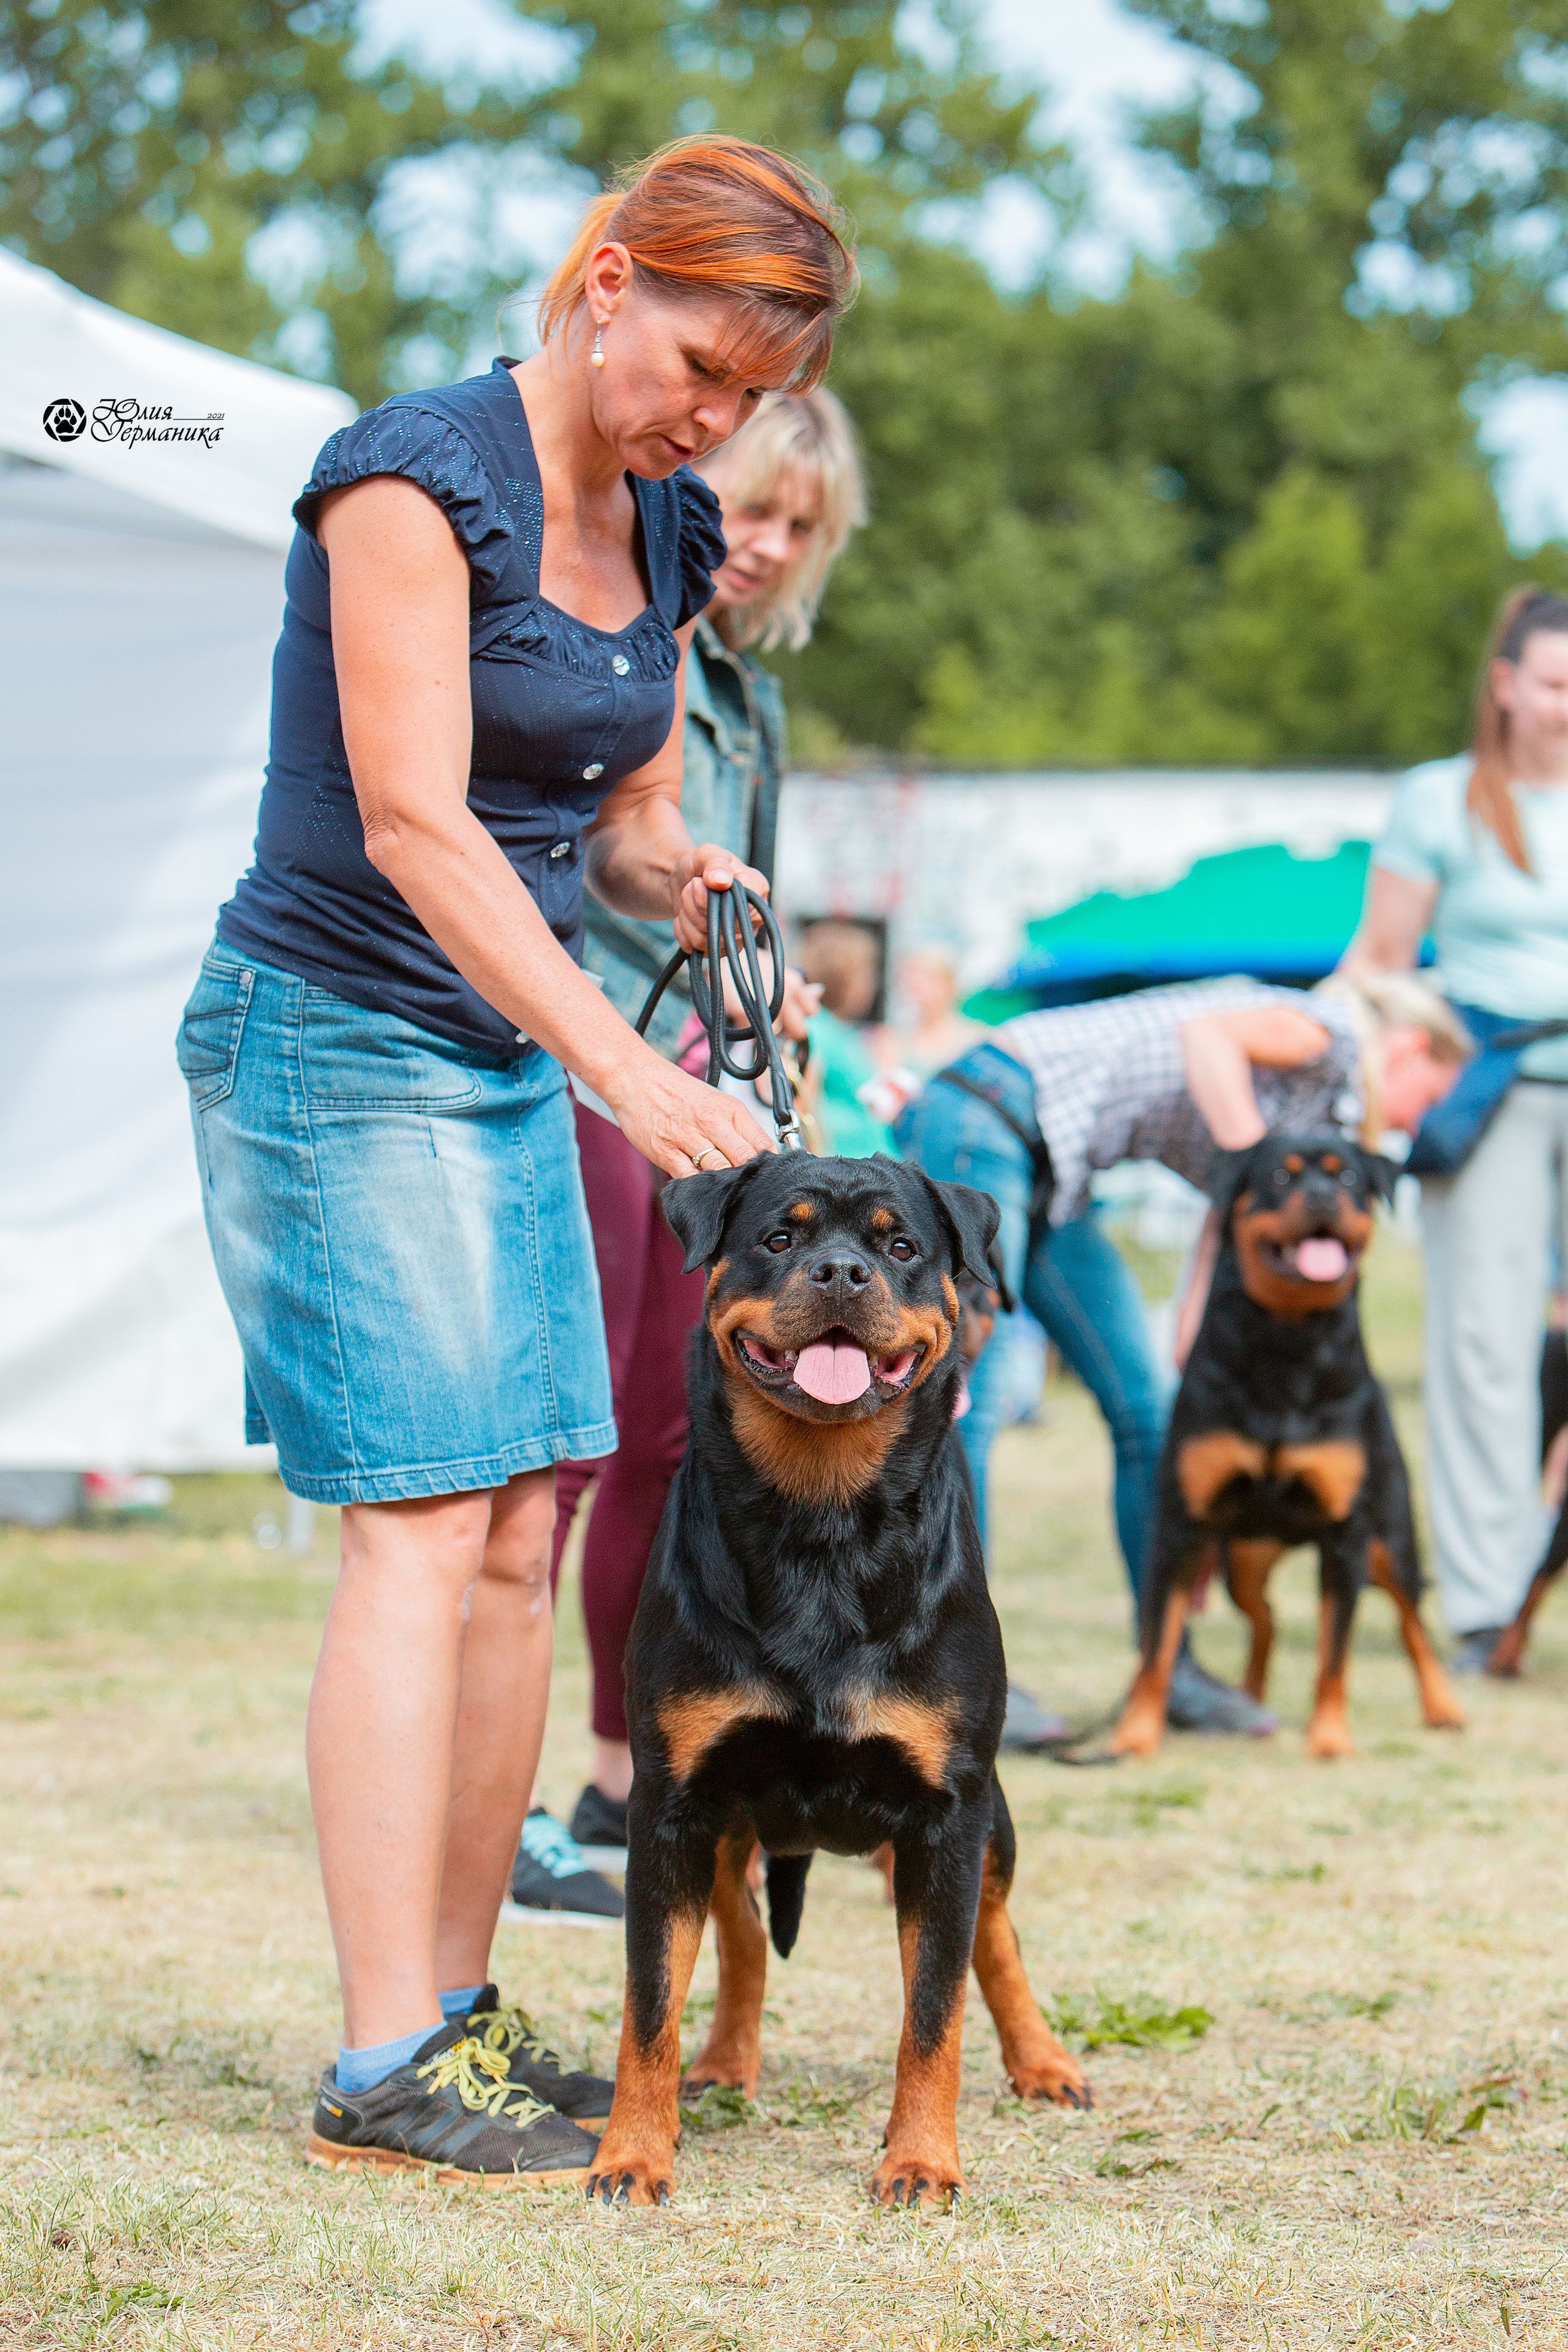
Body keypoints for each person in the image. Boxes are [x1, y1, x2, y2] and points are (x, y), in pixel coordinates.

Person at [175, 135, 854, 2183]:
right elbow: (418, 821)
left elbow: (617, 816)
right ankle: (381, 2049)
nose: (712, 423)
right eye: (700, 369)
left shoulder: (658, 526)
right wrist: (627, 1081)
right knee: (418, 1518)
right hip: (334, 1037)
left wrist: (698, 877)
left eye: (748, 399)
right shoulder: (410, 475)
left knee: (515, 1530)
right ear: (610, 280)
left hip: (498, 1044)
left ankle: (452, 2019)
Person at [516, 388, 867, 1914]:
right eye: (751, 503)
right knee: (580, 1443)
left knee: (669, 1435)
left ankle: (620, 1776)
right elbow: (591, 860)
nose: (765, 542)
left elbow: (746, 893)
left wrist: (772, 997)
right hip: (586, 1056)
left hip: (714, 1089)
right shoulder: (612, 633)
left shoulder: (749, 699)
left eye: (799, 525)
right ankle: (557, 1791)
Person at [894, 972, 1468, 1737]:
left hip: (1054, 1175)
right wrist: (1247, 1161)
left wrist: (1190, 1334)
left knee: (1148, 1404)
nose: (1415, 1121)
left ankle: (1173, 1672)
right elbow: (1207, 1040)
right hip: (985, 1114)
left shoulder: (1314, 1113)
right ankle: (947, 1673)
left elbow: (1226, 1231)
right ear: (1406, 1049)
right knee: (965, 1405)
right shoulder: (1322, 1035)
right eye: (1427, 1097)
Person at [1342, 587, 1568, 1672]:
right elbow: (1379, 960)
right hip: (1497, 1091)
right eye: (1557, 684)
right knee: (1484, 1342)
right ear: (1507, 685)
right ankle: (1487, 1605)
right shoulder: (1443, 800)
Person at [797, 919, 900, 1155]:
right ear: (842, 975)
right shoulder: (814, 1028)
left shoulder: (838, 1029)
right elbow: (805, 1108)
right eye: (866, 973)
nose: (872, 984)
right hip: (843, 1170)